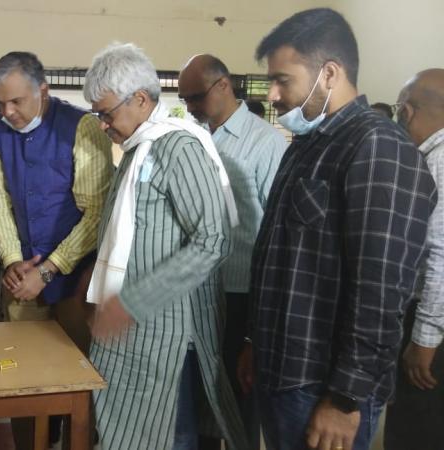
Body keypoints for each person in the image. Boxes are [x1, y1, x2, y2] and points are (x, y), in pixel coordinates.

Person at [239, 8, 437, 450]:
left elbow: (381, 290)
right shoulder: (309, 145)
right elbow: (287, 258)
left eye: (282, 80)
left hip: (322, 388)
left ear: (329, 73)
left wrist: (345, 399)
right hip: (283, 371)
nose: (272, 93)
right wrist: (256, 341)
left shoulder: (377, 147)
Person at [83, 42, 246, 450]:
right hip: (131, 329)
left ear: (140, 99)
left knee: (169, 435)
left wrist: (131, 302)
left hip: (166, 332)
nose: (103, 124)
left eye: (107, 113)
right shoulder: (140, 149)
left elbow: (212, 241)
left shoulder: (177, 147)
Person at [0, 51, 112, 449]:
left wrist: (50, 269)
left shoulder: (82, 127)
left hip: (75, 280)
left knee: (78, 382)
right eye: (0, 102)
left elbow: (95, 214)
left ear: (43, 90)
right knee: (22, 380)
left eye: (17, 101)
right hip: (23, 278)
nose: (8, 111)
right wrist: (13, 262)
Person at [178, 54, 286, 450]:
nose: (189, 107)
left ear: (223, 85)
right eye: (184, 98)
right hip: (198, 293)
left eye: (195, 97)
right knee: (203, 401)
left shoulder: (266, 143)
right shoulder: (193, 139)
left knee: (241, 404)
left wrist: (256, 328)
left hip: (242, 296)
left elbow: (277, 233)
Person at [384, 69, 444, 450]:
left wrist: (423, 339)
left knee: (417, 427)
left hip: (432, 325)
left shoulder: (437, 162)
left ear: (406, 111)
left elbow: (440, 254)